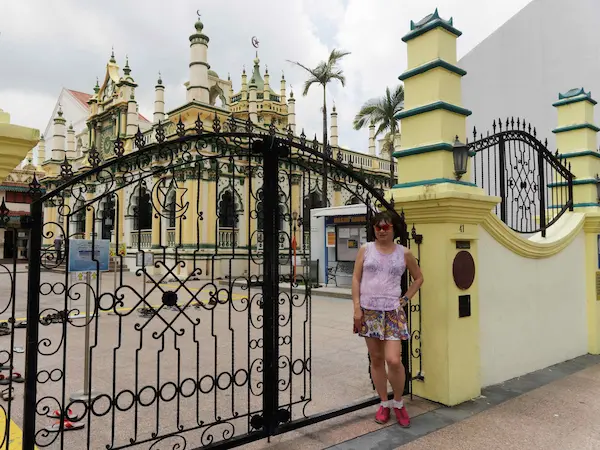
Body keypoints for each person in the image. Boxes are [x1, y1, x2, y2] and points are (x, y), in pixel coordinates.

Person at [351, 210, 424, 428]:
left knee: (393, 359)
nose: (382, 231)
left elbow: (419, 278)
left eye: (386, 227)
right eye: (378, 227)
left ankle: (399, 403)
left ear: (394, 229)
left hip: (392, 311)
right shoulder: (366, 250)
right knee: (375, 358)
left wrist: (405, 299)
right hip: (369, 311)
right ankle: (384, 403)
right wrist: (357, 308)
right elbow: (356, 278)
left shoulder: (404, 253)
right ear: (373, 229)